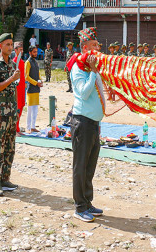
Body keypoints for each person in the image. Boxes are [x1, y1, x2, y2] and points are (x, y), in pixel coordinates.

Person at [68, 27, 105, 223]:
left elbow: (98, 90)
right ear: (84, 48)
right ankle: (79, 206)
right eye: (93, 45)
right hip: (82, 122)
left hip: (93, 123)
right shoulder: (78, 68)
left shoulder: (90, 67)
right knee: (80, 166)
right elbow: (83, 92)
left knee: (90, 165)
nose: (97, 48)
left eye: (97, 45)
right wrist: (93, 73)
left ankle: (88, 202)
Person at [0, 33, 20, 196]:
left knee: (10, 146)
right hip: (1, 109)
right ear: (1, 46)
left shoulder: (13, 64)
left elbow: (14, 86)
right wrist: (11, 78)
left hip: (12, 108)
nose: (10, 47)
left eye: (11, 44)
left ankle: (6, 178)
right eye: (7, 44)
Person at [24, 46, 44, 133]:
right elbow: (26, 77)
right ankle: (28, 127)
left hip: (36, 88)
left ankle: (33, 126)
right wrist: (36, 83)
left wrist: (41, 81)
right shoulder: (27, 62)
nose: (36, 53)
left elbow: (38, 74)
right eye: (34, 52)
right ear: (30, 52)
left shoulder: (36, 62)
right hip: (31, 88)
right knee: (30, 109)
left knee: (35, 109)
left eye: (36, 52)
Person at [13, 42, 26, 134]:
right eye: (19, 50)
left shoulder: (22, 62)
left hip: (22, 88)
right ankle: (14, 129)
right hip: (16, 89)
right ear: (15, 50)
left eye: (22, 49)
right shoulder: (14, 62)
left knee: (21, 107)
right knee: (16, 109)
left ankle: (17, 128)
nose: (21, 51)